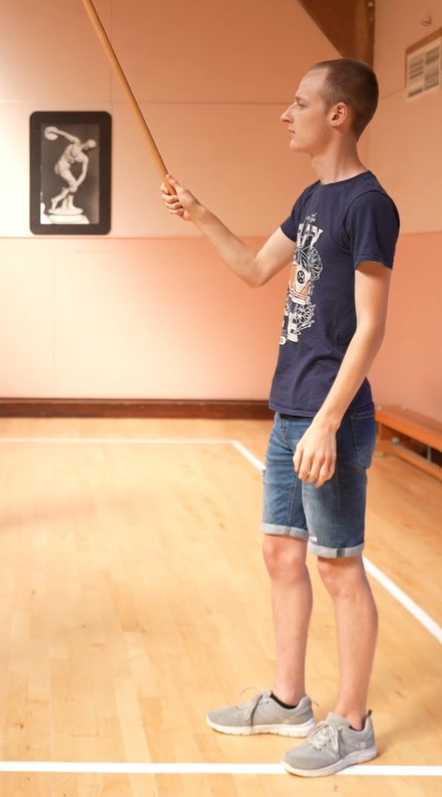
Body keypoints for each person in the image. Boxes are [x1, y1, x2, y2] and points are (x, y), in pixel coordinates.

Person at [161, 59, 398, 777]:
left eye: (299, 103)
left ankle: (352, 723)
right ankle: (290, 699)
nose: (284, 113)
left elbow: (369, 328)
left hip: (332, 415)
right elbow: (254, 268)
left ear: (339, 114)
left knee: (339, 565)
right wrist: (201, 215)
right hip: (289, 406)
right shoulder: (311, 200)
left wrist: (328, 421)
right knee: (282, 554)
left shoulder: (368, 204)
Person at [45, 127, 97, 215]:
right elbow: (64, 134)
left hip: (59, 167)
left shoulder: (81, 151)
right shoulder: (81, 152)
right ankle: (56, 199)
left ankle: (66, 205)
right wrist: (53, 131)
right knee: (73, 185)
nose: (88, 146)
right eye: (89, 145)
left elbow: (64, 134)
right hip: (62, 168)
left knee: (67, 186)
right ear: (88, 146)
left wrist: (54, 131)